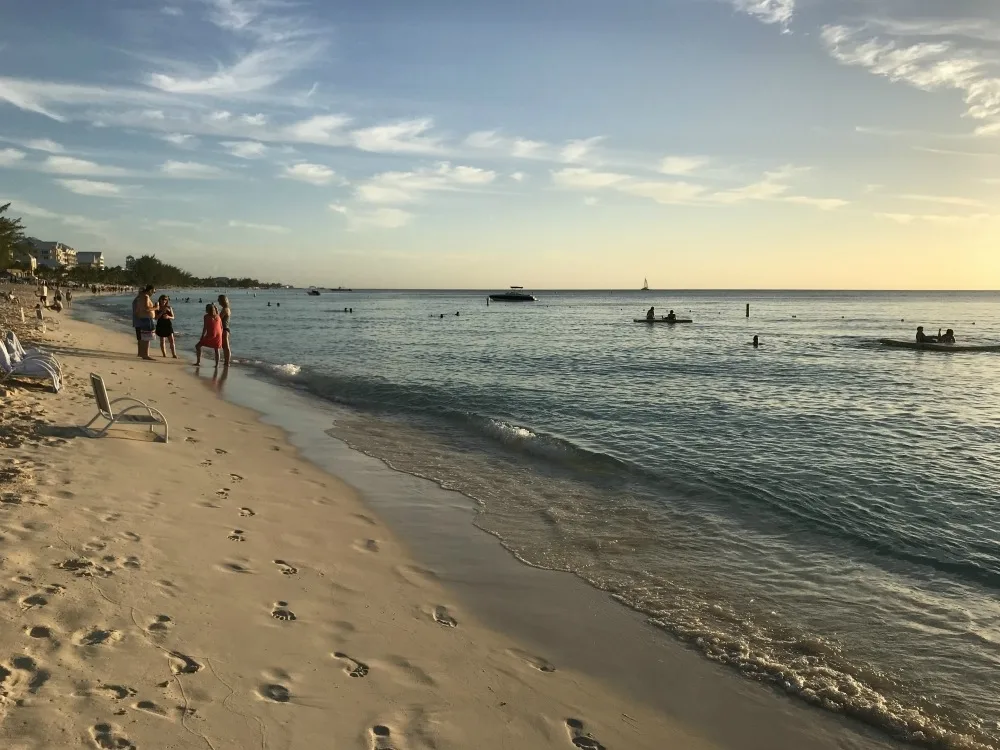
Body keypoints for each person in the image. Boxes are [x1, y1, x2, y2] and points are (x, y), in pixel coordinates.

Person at [132, 285, 157, 360]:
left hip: (142, 319)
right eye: (153, 291)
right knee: (146, 338)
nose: (153, 293)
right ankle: (145, 354)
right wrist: (156, 307)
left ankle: (142, 353)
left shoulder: (139, 298)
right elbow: (145, 308)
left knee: (143, 337)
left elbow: (137, 310)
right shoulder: (145, 297)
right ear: (150, 290)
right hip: (145, 320)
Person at [217, 295, 232, 366]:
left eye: (219, 300)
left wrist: (216, 312)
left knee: (226, 346)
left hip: (225, 329)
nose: (218, 301)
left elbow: (219, 319)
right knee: (225, 346)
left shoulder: (225, 309)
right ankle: (226, 361)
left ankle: (227, 362)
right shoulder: (226, 309)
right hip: (225, 328)